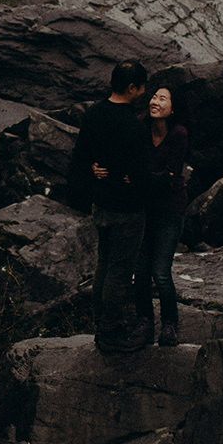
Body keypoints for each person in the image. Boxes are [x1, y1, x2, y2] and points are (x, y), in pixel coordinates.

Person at [66, 59, 151, 353]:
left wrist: (94, 169)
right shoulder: (134, 126)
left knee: (103, 265)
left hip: (100, 203)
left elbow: (80, 157)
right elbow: (140, 175)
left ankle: (100, 323)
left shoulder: (93, 114)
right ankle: (111, 332)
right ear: (132, 87)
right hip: (127, 209)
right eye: (142, 87)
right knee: (118, 271)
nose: (144, 92)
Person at [132, 85, 193, 346]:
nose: (155, 102)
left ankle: (170, 323)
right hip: (145, 209)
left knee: (161, 271)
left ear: (173, 108)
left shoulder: (179, 134)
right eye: (154, 97)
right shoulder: (140, 126)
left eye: (163, 99)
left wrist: (138, 179)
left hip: (170, 210)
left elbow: (169, 176)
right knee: (141, 271)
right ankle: (144, 321)